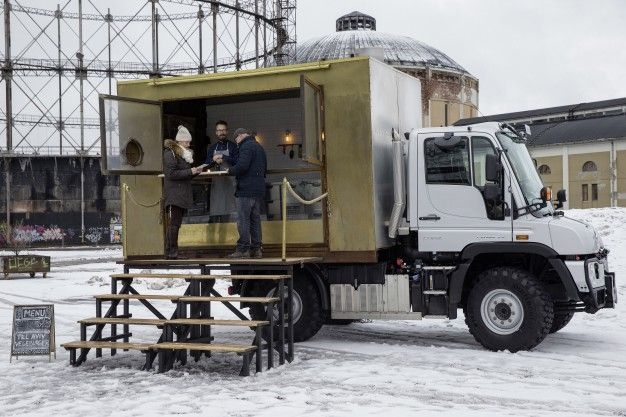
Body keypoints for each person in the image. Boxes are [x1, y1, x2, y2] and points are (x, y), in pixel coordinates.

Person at [163, 125, 203, 259]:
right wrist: (190, 171)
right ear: (179, 141)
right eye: (186, 141)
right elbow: (171, 174)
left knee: (175, 224)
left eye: (189, 141)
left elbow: (184, 175)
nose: (188, 144)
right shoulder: (170, 154)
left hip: (180, 194)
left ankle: (171, 251)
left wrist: (195, 172)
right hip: (175, 194)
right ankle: (172, 252)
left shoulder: (180, 155)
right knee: (174, 224)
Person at [226, 128, 267, 259]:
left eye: (236, 139)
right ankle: (257, 249)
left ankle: (243, 249)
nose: (236, 142)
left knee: (243, 220)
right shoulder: (259, 147)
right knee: (255, 220)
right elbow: (264, 167)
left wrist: (229, 171)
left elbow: (242, 166)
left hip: (245, 189)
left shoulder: (245, 146)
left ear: (240, 136)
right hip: (257, 190)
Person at [205, 120, 238, 222]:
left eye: (223, 130)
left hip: (230, 183)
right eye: (219, 130)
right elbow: (206, 164)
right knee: (216, 208)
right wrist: (213, 160)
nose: (221, 132)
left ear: (227, 131)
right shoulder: (212, 148)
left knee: (230, 209)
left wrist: (223, 157)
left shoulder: (233, 146)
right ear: (216, 132)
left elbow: (237, 161)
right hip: (217, 184)